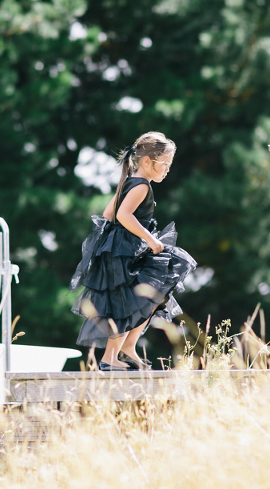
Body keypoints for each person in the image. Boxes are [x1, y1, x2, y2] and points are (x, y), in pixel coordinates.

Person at [70, 132, 197, 371]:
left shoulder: (130, 181)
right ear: (147, 161)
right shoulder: (141, 187)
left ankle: (127, 348)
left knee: (150, 296)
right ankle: (109, 358)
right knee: (128, 302)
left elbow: (108, 214)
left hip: (120, 250)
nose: (168, 169)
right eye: (165, 164)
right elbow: (121, 215)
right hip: (125, 253)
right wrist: (148, 238)